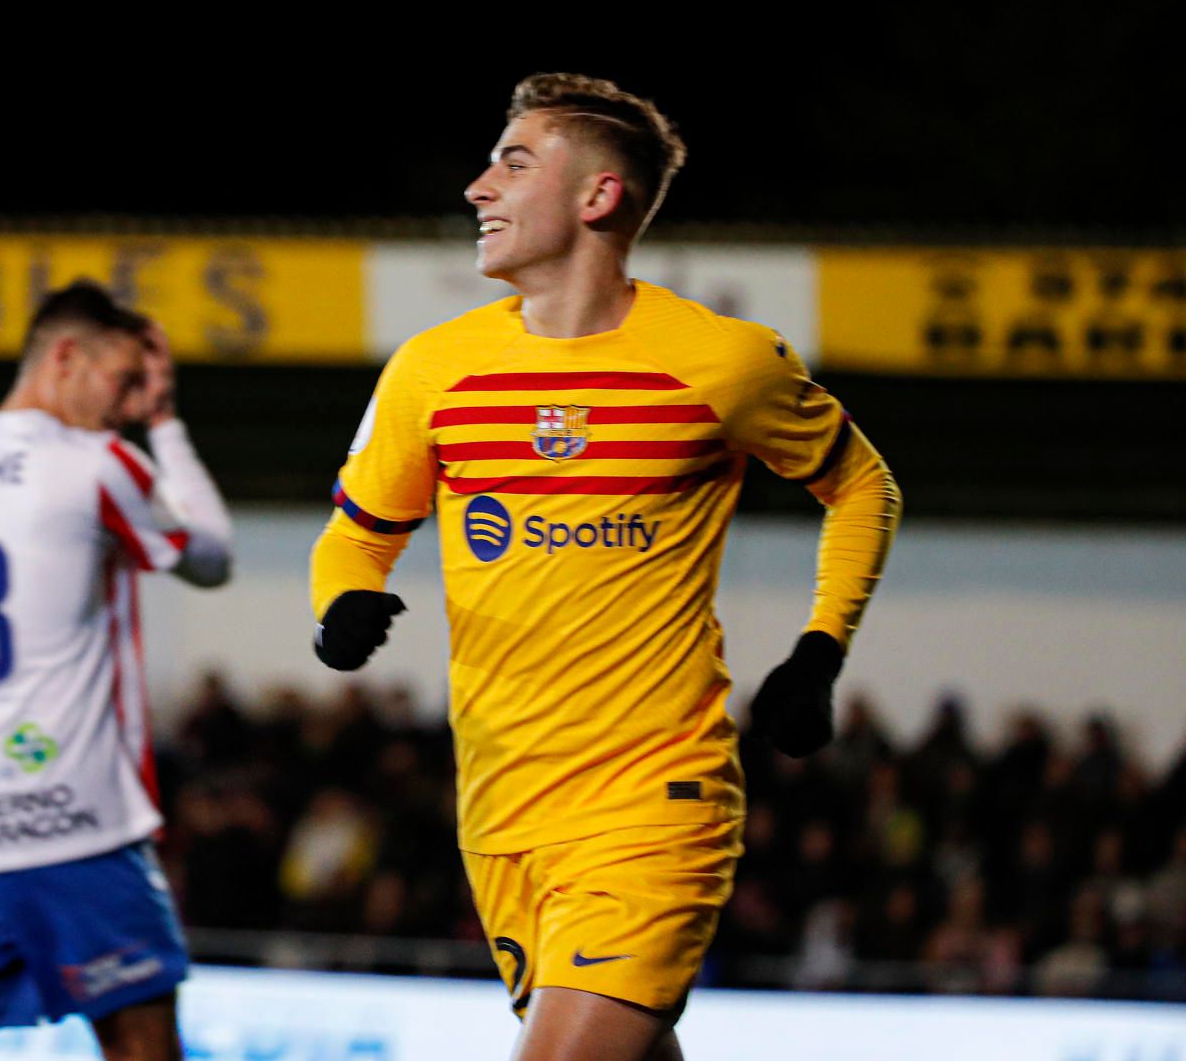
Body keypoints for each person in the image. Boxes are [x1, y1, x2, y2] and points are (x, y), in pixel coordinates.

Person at [309, 74, 901, 1061]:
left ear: (597, 198)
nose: (476, 187)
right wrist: (344, 599)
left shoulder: (724, 361)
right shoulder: (430, 368)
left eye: (513, 160)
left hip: (651, 800)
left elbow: (862, 486)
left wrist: (818, 648)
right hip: (500, 807)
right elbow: (361, 528)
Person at [0, 281, 232, 1061]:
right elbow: (212, 556)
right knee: (142, 1046)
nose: (130, 403)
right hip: (78, 828)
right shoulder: (98, 464)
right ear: (65, 357)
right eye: (125, 380)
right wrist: (166, 426)